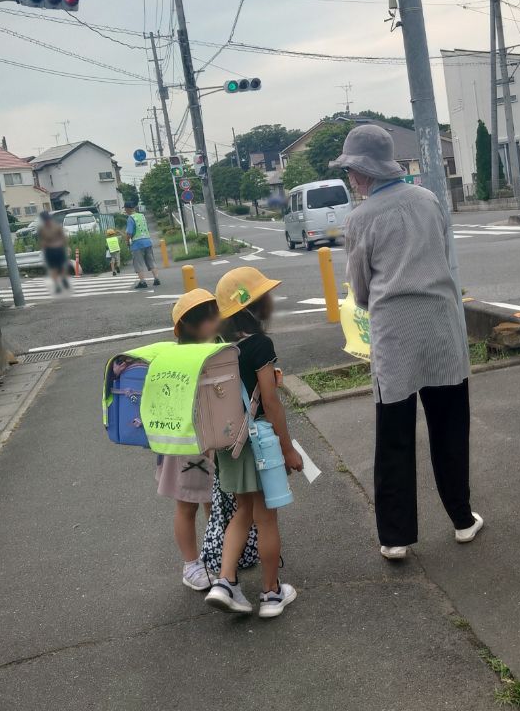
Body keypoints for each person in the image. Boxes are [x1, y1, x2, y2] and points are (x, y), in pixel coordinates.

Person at [334, 124, 483, 561]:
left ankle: (396, 537)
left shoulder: (360, 219)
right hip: (442, 325)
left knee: (394, 434)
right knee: (450, 428)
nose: (351, 180)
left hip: (395, 333)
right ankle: (461, 518)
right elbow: (446, 257)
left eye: (351, 172)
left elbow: (360, 290)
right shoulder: (429, 199)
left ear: (363, 172)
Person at [204, 266, 303, 619]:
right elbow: (271, 402)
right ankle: (272, 593)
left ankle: (225, 581)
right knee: (266, 519)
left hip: (228, 445)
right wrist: (288, 448)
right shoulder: (260, 345)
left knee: (242, 513)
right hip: (259, 443)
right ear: (252, 307)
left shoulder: (216, 347)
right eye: (264, 297)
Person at [157, 288, 220, 590]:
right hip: (185, 444)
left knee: (212, 499)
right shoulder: (179, 359)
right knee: (187, 504)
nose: (215, 322)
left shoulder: (216, 349)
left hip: (210, 440)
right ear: (190, 326)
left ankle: (214, 552)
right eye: (207, 318)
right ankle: (191, 565)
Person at [124, 201, 161, 289]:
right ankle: (156, 279)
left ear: (128, 209)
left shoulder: (130, 218)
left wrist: (127, 241)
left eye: (125, 209)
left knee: (138, 263)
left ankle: (142, 282)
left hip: (137, 243)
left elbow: (129, 232)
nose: (125, 210)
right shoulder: (142, 216)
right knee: (151, 260)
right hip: (147, 241)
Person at [37, 211, 69, 294]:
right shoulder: (44, 229)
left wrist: (65, 246)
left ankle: (63, 279)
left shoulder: (54, 227)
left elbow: (63, 238)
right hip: (51, 250)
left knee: (61, 266)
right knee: (54, 268)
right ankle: (57, 284)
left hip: (57, 249)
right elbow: (42, 241)